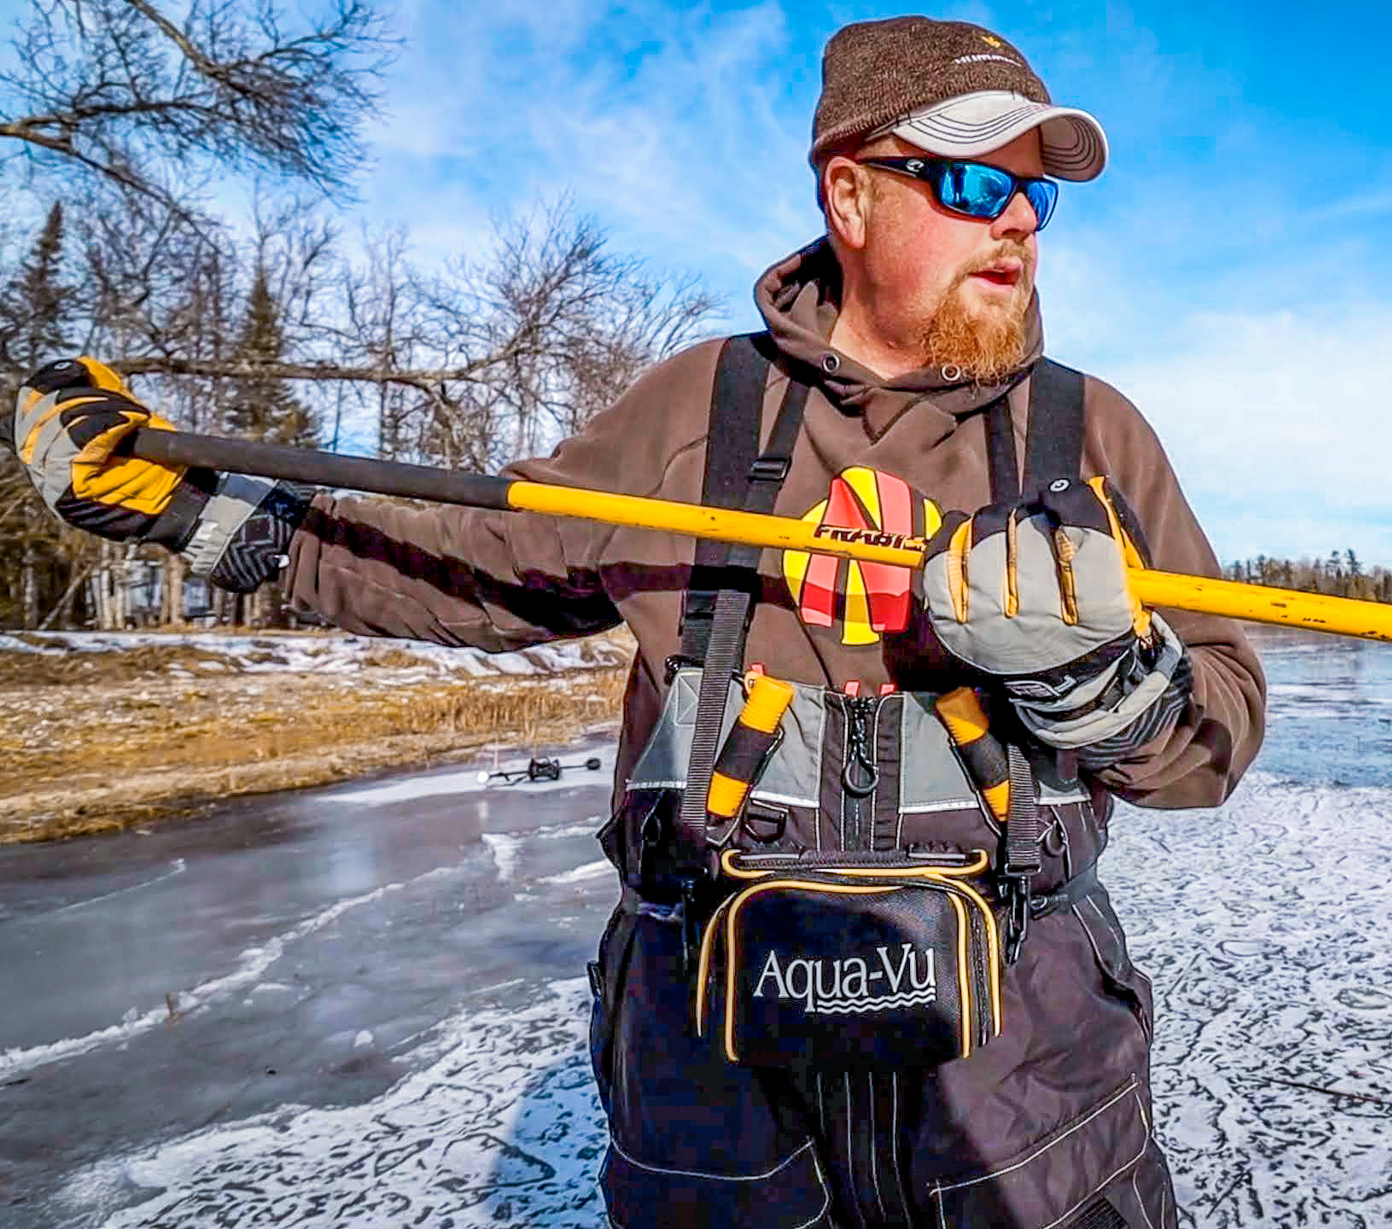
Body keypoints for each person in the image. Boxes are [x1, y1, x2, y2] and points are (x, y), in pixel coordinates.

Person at [5, 16, 1265, 1227]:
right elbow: (478, 567)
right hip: (715, 1085)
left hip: (1027, 1085)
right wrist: (203, 511)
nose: (1020, 226)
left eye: (1036, 196)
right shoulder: (697, 409)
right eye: (975, 184)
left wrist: (1105, 683)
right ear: (850, 194)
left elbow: (1215, 734)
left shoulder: (1090, 435)